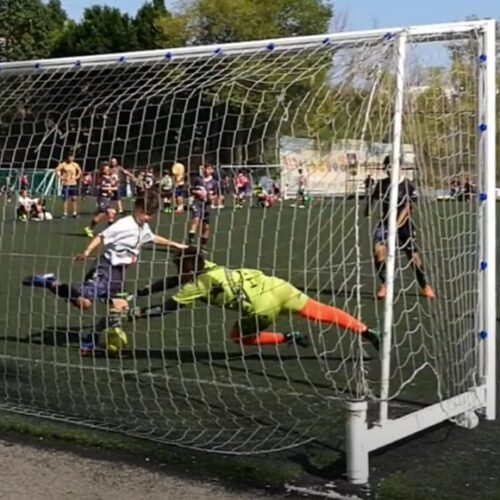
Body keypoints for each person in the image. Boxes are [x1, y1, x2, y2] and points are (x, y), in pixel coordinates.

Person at [22, 192, 186, 353]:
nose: (148, 217)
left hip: (118, 274)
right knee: (91, 300)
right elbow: (101, 237)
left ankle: (86, 329)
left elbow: (152, 237)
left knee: (98, 306)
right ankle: (55, 287)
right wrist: (87, 252)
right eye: (145, 213)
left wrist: (175, 245)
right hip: (105, 269)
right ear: (137, 207)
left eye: (151, 215)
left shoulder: (143, 226)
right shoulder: (125, 224)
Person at [131, 247, 380, 350]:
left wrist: (136, 313)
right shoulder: (205, 265)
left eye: (179, 267)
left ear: (187, 268)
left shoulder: (196, 286)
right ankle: (365, 330)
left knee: (239, 337)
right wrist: (145, 291)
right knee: (321, 311)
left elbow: (165, 309)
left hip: (262, 308)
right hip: (276, 285)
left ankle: (287, 338)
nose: (178, 272)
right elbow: (173, 281)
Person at [366, 156, 434, 300]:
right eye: (387, 167)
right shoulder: (382, 184)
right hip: (385, 223)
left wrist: (396, 224)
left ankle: (424, 285)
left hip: (403, 225)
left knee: (414, 258)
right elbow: (372, 197)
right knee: (378, 251)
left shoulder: (407, 185)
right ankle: (384, 285)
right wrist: (368, 208)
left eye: (392, 166)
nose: (389, 169)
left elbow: (408, 208)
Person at [187, 163, 217, 249]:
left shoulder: (214, 182)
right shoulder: (198, 179)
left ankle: (203, 245)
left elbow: (215, 194)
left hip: (206, 205)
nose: (207, 170)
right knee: (196, 220)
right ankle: (191, 242)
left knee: (206, 227)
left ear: (212, 170)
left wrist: (211, 198)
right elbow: (191, 189)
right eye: (206, 168)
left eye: (209, 169)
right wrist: (197, 192)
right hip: (197, 203)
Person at [84, 163, 117, 238]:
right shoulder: (102, 179)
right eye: (106, 169)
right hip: (102, 199)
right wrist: (111, 189)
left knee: (111, 215)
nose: (108, 170)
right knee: (102, 214)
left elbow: (111, 187)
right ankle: (89, 228)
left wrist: (110, 192)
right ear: (102, 171)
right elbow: (101, 188)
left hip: (107, 199)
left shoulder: (109, 178)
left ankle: (109, 232)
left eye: (108, 169)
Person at [55, 153, 82, 218]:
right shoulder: (63, 164)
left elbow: (79, 171)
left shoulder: (75, 164)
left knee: (74, 198)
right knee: (65, 199)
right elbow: (56, 170)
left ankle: (74, 213)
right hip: (66, 184)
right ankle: (65, 213)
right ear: (67, 158)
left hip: (73, 184)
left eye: (72, 157)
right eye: (70, 157)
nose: (71, 158)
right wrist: (60, 176)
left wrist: (77, 176)